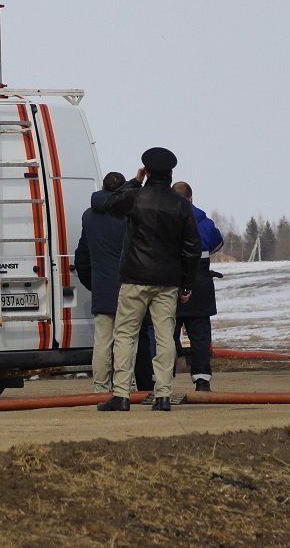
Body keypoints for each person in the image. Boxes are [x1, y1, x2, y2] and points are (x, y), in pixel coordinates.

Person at [96, 147, 201, 413]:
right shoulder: (180, 204)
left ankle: (121, 395)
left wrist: (135, 180)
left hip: (135, 278)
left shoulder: (135, 196)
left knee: (125, 335)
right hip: (168, 281)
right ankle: (163, 395)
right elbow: (192, 247)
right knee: (165, 336)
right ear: (171, 173)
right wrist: (187, 283)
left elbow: (108, 204)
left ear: (147, 170)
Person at [72, 172, 154, 392]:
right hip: (130, 287)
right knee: (127, 340)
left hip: (102, 288)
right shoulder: (128, 216)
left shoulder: (88, 216)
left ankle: (100, 387)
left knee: (102, 342)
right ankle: (124, 385)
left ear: (102, 186)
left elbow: (82, 255)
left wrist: (92, 282)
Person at [172, 181, 224, 392]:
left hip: (171, 284)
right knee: (201, 336)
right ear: (191, 198)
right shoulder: (206, 222)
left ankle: (162, 380)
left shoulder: (164, 221)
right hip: (200, 284)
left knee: (166, 335)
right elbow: (217, 244)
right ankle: (202, 380)